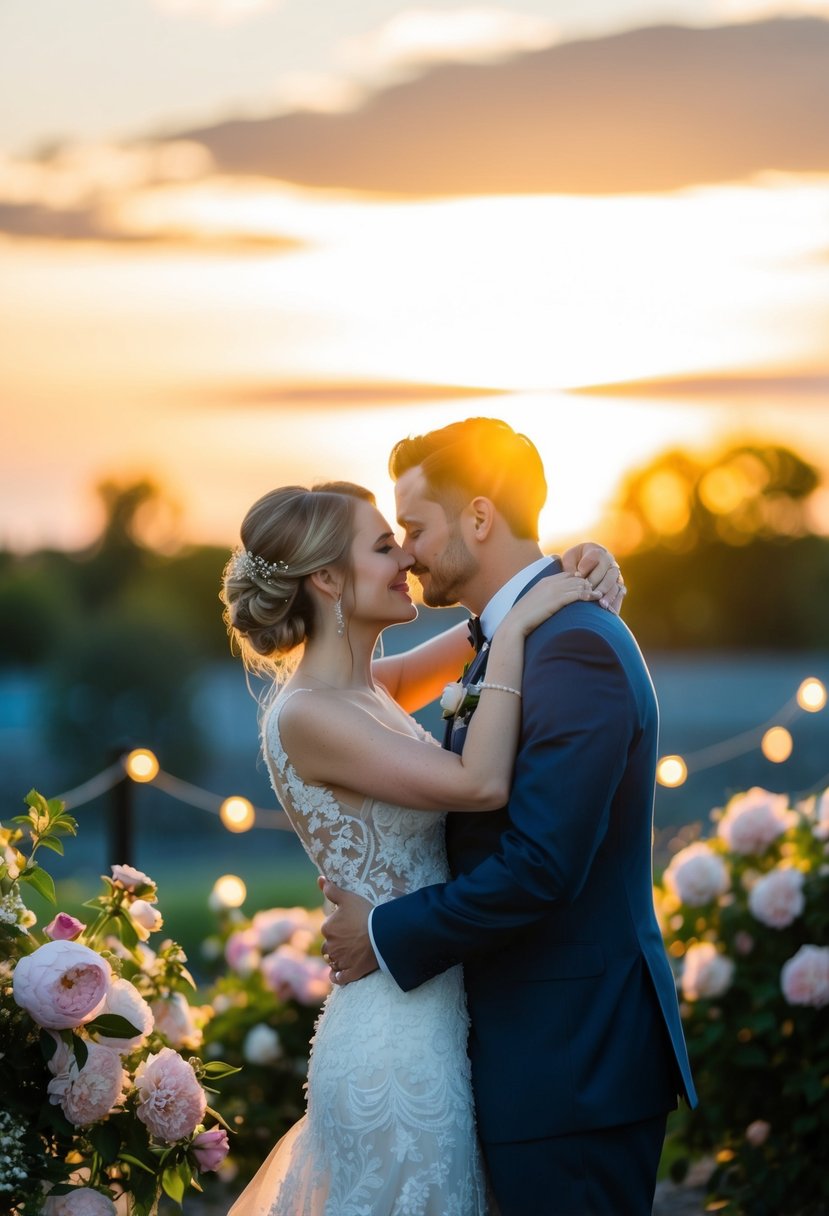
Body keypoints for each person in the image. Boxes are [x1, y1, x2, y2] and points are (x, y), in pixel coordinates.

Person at [321, 418, 697, 1216]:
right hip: (532, 1054)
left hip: (572, 1059)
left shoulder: (573, 647)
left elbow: (542, 866)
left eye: (415, 528)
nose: (409, 551)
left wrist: (382, 933)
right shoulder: (515, 638)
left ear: (480, 518)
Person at [220, 477, 624, 1215]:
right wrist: (524, 624)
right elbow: (476, 783)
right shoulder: (310, 715)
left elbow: (483, 623)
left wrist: (568, 570)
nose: (405, 556)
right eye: (383, 546)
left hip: (433, 1010)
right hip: (392, 1040)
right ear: (327, 579)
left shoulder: (367, 688)